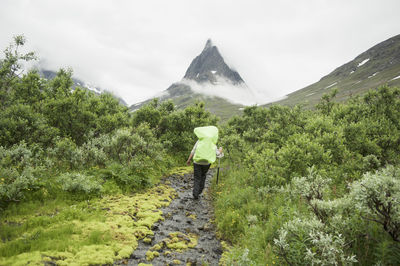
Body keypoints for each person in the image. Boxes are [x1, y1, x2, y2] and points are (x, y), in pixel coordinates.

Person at [186, 126, 223, 199]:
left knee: (197, 178)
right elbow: (218, 154)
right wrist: (221, 150)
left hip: (197, 162)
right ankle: (199, 191)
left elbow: (193, 151)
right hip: (206, 163)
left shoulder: (199, 140)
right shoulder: (212, 143)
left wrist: (189, 160)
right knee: (203, 176)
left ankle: (195, 194)